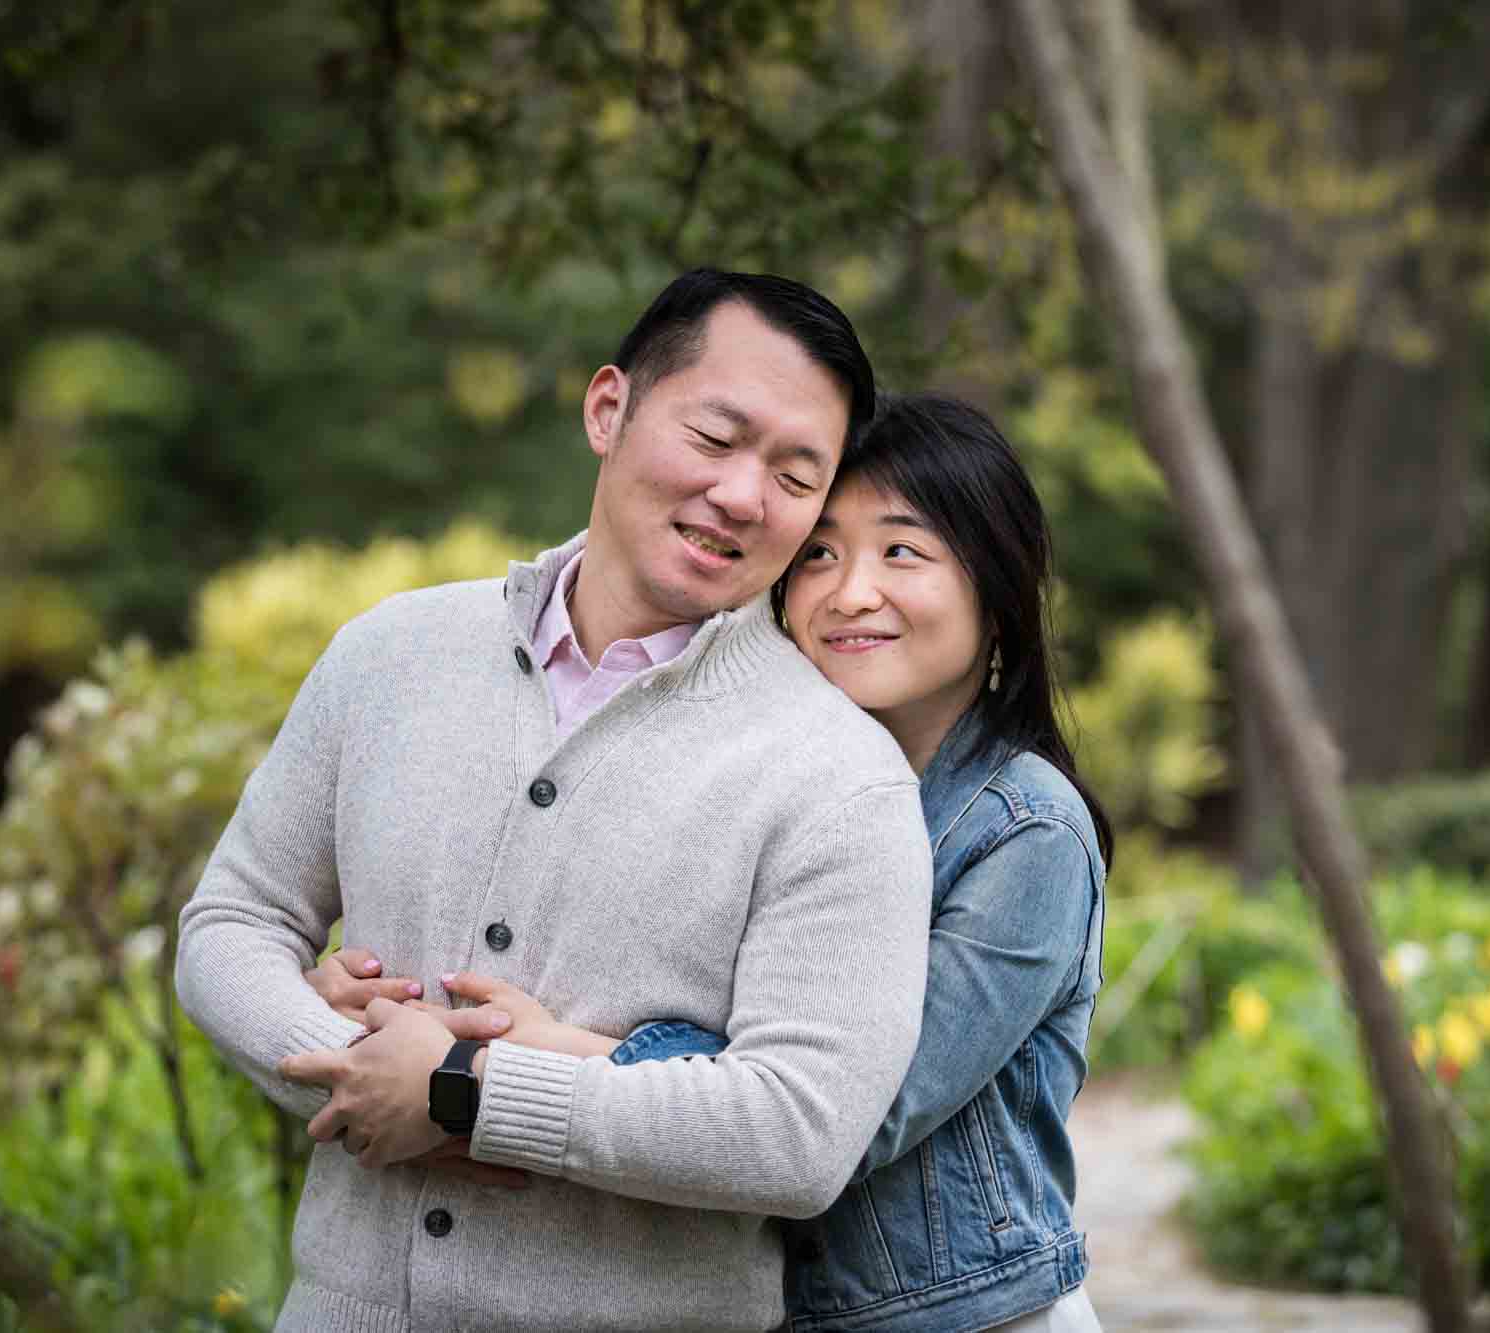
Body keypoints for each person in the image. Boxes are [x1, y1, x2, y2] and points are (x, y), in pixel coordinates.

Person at [175, 270, 935, 1332]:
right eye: (715, 439)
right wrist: (356, 1074)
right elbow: (231, 921)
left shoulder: (839, 775)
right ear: (607, 408)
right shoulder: (389, 654)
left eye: (794, 475)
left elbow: (798, 1131)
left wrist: (467, 1097)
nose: (743, 497)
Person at [317, 393, 1111, 1332]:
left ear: (996, 586)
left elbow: (852, 1113)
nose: (850, 591)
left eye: (903, 551)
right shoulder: (778, 789)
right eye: (820, 553)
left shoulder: (1025, 832)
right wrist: (392, 994)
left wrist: (533, 1057)